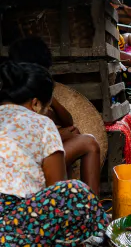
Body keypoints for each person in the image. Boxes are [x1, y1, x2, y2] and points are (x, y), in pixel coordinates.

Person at [0, 61, 108, 247]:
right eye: (48, 107)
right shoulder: (41, 123)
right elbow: (57, 192)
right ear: (37, 103)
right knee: (74, 196)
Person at [9, 38, 101, 195]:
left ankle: (82, 204)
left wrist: (51, 97)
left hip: (30, 158)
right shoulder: (18, 95)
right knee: (89, 143)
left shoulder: (31, 90)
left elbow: (67, 121)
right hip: (20, 166)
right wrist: (59, 136)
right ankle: (89, 209)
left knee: (77, 137)